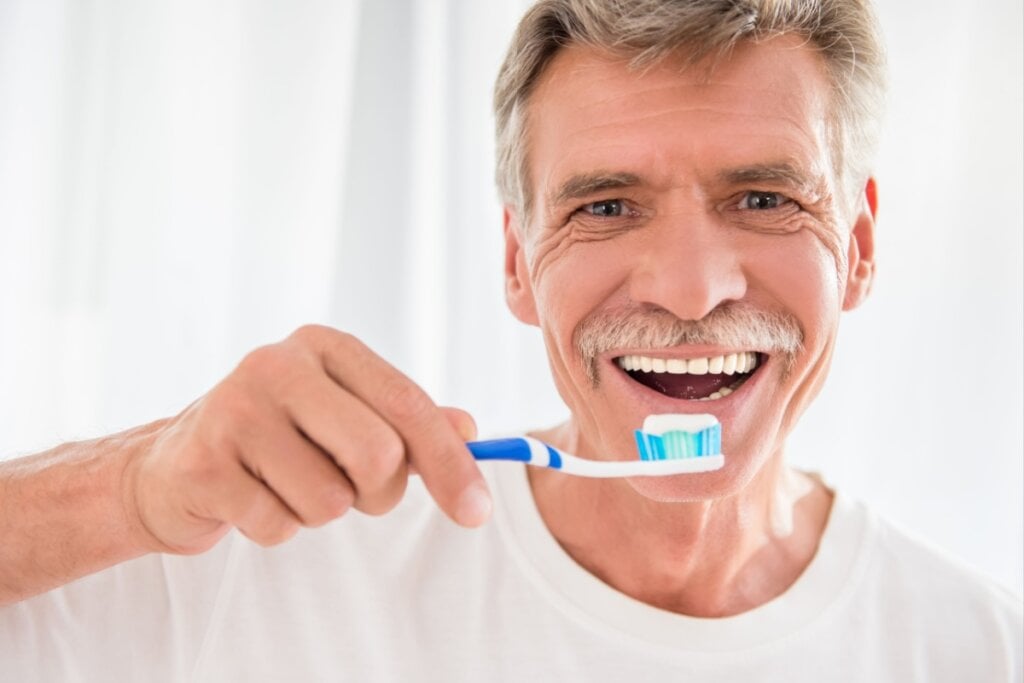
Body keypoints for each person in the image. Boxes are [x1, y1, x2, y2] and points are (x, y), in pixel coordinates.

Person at [1, 0, 1020, 680]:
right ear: (518, 261)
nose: (690, 287)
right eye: (609, 206)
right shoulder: (269, 559)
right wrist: (130, 485)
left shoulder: (974, 645)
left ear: (862, 244)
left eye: (762, 197)